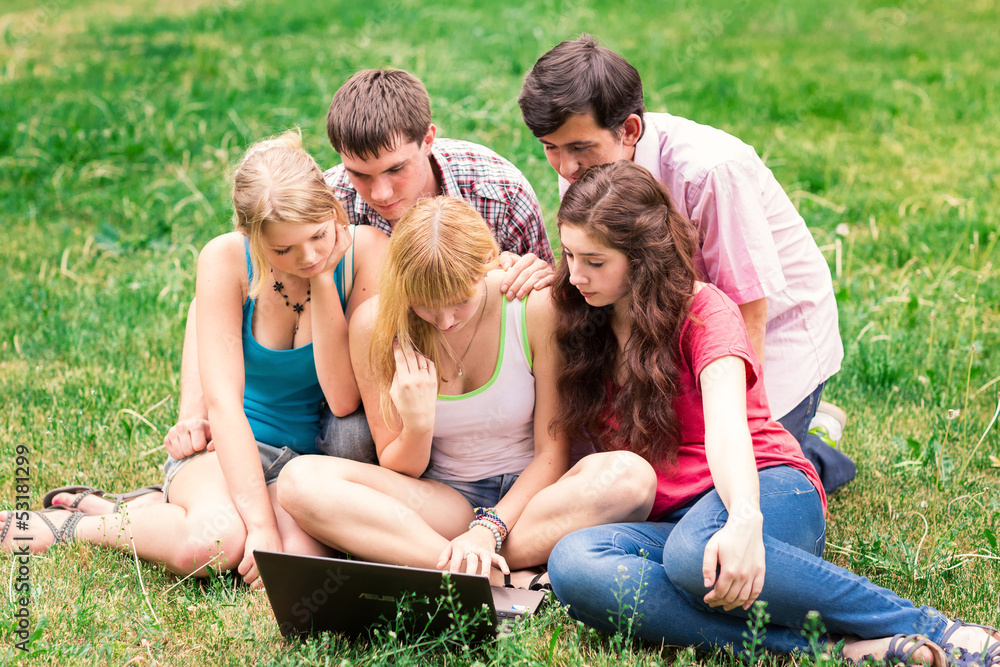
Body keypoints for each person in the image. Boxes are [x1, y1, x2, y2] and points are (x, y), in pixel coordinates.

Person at [544, 160, 999, 664]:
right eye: (568, 255)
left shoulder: (704, 310)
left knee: (695, 556)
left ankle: (936, 628)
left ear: (643, 256)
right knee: (574, 562)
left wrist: (741, 518)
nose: (577, 274)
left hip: (763, 485)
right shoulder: (579, 316)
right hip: (669, 522)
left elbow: (727, 426)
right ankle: (841, 652)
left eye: (595, 261)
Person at [2, 131, 388, 589]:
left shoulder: (365, 253)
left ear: (332, 208)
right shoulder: (225, 258)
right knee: (211, 545)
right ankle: (71, 527)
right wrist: (261, 527)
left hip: (305, 466)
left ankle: (140, 509)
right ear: (249, 235)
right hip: (222, 451)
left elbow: (344, 400)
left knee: (297, 563)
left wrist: (325, 282)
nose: (308, 256)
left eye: (318, 236)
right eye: (282, 250)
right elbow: (223, 406)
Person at [155, 67, 560, 467]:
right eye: (360, 174)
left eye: (396, 169)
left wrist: (534, 273)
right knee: (353, 436)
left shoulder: (498, 191)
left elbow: (545, 303)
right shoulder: (324, 211)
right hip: (374, 378)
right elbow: (214, 299)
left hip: (481, 376)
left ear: (429, 139)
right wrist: (192, 412)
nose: (380, 193)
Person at [518, 34, 854, 494]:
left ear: (629, 130)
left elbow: (749, 311)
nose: (565, 167)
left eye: (578, 148)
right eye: (549, 147)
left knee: (739, 470)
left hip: (775, 338)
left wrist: (745, 423)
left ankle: (812, 442)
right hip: (676, 328)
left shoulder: (710, 173)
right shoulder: (588, 167)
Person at [276, 196, 654, 583]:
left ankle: (457, 561)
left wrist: (488, 529)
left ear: (486, 263)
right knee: (298, 482)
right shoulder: (375, 325)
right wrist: (418, 423)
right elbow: (397, 465)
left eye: (459, 301)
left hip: (532, 501)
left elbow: (551, 455)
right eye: (424, 305)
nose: (445, 320)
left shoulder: (531, 306)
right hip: (442, 500)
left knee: (630, 478)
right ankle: (486, 574)